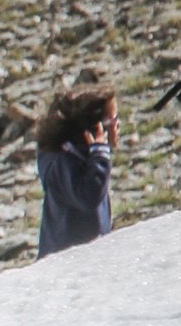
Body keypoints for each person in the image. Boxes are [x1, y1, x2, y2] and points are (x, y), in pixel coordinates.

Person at [35, 81, 118, 258]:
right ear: (96, 129)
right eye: (112, 120)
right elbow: (89, 196)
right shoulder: (63, 164)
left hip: (87, 257)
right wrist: (100, 156)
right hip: (66, 263)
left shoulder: (82, 159)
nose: (117, 126)